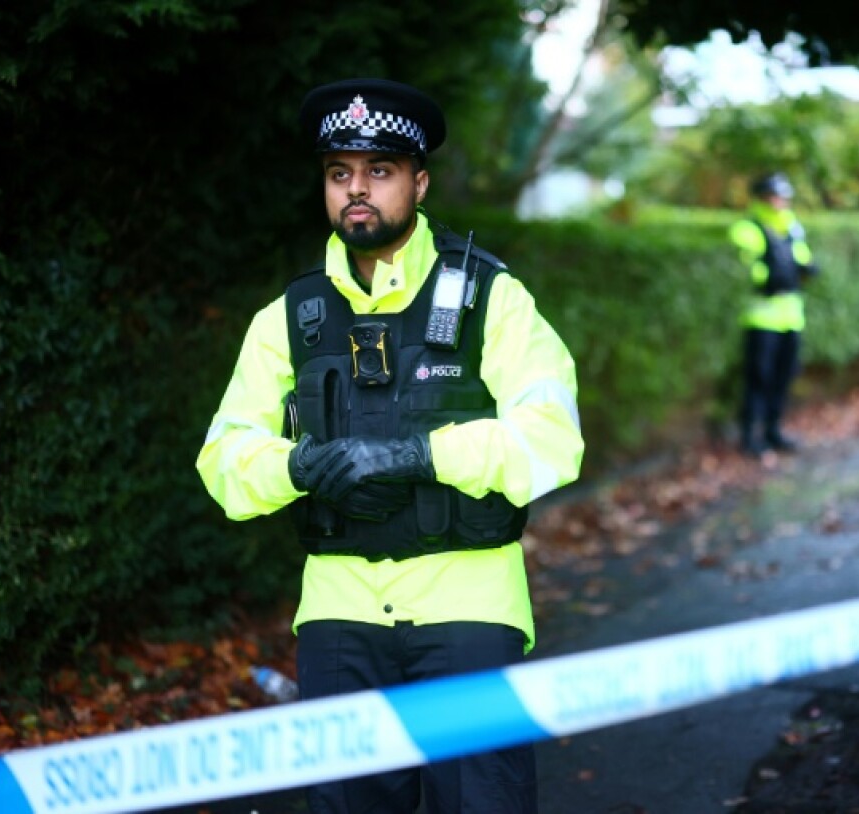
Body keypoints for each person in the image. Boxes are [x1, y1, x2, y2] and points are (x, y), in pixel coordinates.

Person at [195, 77, 584, 814]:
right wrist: (296, 465)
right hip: (339, 618)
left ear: (420, 182)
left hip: (469, 608)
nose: (357, 191)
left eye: (379, 171)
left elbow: (553, 441)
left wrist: (421, 455)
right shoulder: (290, 315)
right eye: (340, 174)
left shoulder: (491, 298)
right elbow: (224, 461)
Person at [727, 171, 819, 456]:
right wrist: (771, 276)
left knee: (783, 376)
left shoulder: (791, 226)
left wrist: (804, 268)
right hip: (761, 317)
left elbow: (802, 259)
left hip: (791, 316)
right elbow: (751, 270)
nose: (779, 202)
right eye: (773, 196)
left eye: (782, 196)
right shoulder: (748, 228)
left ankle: (773, 430)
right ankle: (749, 435)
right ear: (760, 198)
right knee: (758, 378)